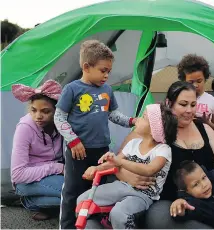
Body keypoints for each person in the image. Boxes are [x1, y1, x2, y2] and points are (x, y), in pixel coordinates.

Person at [106, 81, 214, 229]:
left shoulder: (205, 129)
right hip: (168, 202)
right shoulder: (151, 130)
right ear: (169, 103)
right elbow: (117, 160)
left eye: (193, 104)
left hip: (207, 195)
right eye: (183, 104)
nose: (190, 110)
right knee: (161, 218)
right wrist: (127, 176)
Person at [54, 40, 137, 229]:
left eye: (109, 70)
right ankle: (67, 226)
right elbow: (59, 118)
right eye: (103, 70)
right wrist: (73, 141)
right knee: (73, 191)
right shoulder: (72, 89)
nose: (107, 75)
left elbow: (113, 115)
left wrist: (132, 121)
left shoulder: (107, 90)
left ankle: (91, 224)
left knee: (97, 191)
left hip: (101, 151)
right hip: (78, 150)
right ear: (86, 67)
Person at [77, 104, 177, 229]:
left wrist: (120, 162)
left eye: (143, 117)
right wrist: (96, 169)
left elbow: (149, 170)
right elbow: (115, 162)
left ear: (154, 129)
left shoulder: (163, 150)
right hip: (122, 185)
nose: (138, 119)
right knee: (82, 201)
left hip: (143, 196)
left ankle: (115, 221)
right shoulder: (133, 143)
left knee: (119, 214)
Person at [11, 80, 64, 221]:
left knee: (81, 193)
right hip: (26, 180)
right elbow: (17, 175)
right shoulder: (25, 128)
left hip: (52, 175)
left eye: (45, 111)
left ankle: (34, 201)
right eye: (34, 110)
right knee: (73, 195)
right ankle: (29, 201)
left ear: (56, 111)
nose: (38, 116)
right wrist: (57, 167)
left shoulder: (62, 124)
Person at [178, 54, 214, 135]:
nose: (195, 85)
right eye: (191, 82)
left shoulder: (212, 101)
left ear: (205, 79)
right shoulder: (177, 98)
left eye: (199, 81)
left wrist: (208, 123)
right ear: (183, 81)